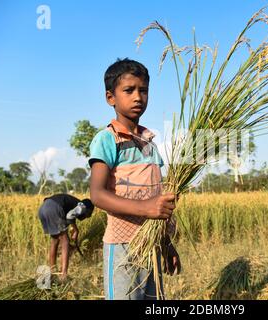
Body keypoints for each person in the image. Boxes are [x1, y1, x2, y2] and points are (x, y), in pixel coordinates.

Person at [88, 58, 181, 300]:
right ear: (111, 98)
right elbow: (97, 194)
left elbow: (158, 203)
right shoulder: (107, 139)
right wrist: (145, 208)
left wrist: (166, 244)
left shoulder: (150, 143)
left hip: (151, 245)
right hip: (122, 246)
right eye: (129, 90)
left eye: (143, 90)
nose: (138, 97)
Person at [38, 193, 94, 281]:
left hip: (43, 209)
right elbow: (70, 215)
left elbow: (70, 216)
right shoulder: (82, 206)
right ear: (88, 210)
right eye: (88, 214)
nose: (86, 216)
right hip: (54, 208)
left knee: (55, 240)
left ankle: (52, 271)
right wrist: (75, 229)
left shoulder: (73, 204)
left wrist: (72, 246)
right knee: (65, 241)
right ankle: (64, 274)